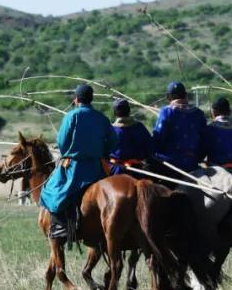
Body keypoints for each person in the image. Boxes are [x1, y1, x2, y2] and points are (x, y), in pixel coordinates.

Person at [39, 83, 118, 243]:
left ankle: (60, 228)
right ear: (92, 99)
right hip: (97, 168)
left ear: (76, 99)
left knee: (50, 191)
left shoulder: (71, 116)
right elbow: (113, 141)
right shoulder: (102, 118)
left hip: (75, 168)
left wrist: (68, 152)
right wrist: (102, 152)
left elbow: (62, 142)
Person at [152, 81, 207, 172]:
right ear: (186, 95)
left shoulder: (166, 112)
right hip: (192, 162)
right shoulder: (199, 113)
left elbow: (157, 140)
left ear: (168, 97)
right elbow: (205, 141)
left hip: (171, 163)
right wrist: (197, 158)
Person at [108, 98, 153, 175]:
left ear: (115, 113)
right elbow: (149, 149)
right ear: (129, 111)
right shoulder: (139, 127)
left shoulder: (110, 130)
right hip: (137, 170)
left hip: (116, 170)